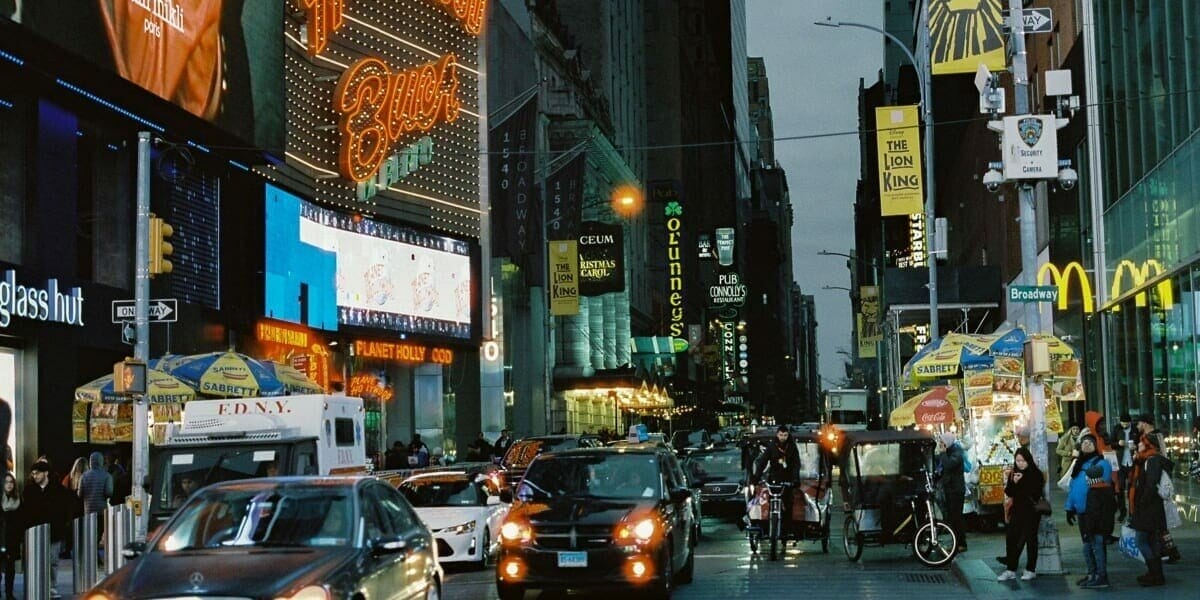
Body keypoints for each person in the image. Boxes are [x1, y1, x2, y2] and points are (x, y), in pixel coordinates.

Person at [1064, 433, 1116, 589]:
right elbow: (1073, 488)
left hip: (1095, 512)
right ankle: (1092, 574)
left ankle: (1101, 576)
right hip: (1082, 511)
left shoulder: (1102, 463)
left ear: (1095, 445)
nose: (1086, 445)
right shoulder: (1078, 464)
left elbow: (1103, 488)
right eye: (1084, 442)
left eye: (1090, 442)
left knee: (1097, 544)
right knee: (1087, 545)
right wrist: (1069, 507)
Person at [24, 460, 72, 598]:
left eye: (37, 473)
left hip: (54, 531)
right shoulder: (29, 490)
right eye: (33, 473)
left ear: (46, 473)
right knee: (37, 561)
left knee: (52, 561)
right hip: (35, 531)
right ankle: (38, 586)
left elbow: (64, 509)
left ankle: (52, 586)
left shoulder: (58, 490)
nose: (34, 476)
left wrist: (63, 526)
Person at [1128, 433, 1170, 587]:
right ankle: (1155, 573)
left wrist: (1141, 503)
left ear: (1147, 445)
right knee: (1151, 541)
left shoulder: (1152, 461)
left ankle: (1155, 573)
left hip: (1148, 509)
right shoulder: (1145, 460)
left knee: (1141, 540)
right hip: (1151, 508)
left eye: (1141, 443)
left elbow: (1150, 485)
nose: (1138, 445)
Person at [998, 447, 1046, 581]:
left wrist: (1022, 482)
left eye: (1023, 460)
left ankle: (1030, 569)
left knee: (1029, 540)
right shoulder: (1014, 473)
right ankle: (1011, 569)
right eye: (1017, 460)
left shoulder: (1035, 474)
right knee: (1011, 539)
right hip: (1017, 511)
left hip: (1031, 512)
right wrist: (1014, 482)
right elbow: (1009, 492)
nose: (1020, 463)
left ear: (1028, 460)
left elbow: (1035, 493)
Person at [752, 426, 801, 533]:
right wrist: (756, 477)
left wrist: (795, 479)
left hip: (788, 478)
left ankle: (787, 527)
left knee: (788, 502)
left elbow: (796, 464)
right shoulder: (772, 446)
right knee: (771, 501)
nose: (783, 437)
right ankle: (771, 525)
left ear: (788, 435)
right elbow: (763, 462)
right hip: (774, 478)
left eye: (785, 435)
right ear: (777, 435)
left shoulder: (792, 447)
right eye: (780, 435)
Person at [938, 431, 968, 553]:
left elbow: (949, 464)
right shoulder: (952, 451)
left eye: (942, 441)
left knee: (956, 517)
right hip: (951, 489)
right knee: (953, 517)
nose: (941, 444)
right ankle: (957, 542)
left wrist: (942, 453)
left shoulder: (956, 452)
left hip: (956, 490)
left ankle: (961, 543)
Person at [1112, 413, 1136, 520]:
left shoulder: (1135, 430)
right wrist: (1118, 444)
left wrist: (1135, 446)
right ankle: (1122, 511)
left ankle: (1132, 512)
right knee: (1120, 488)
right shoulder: (1117, 429)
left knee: (1132, 488)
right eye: (1123, 423)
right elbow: (1111, 443)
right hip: (1121, 462)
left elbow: (1139, 442)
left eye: (1126, 423)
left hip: (1132, 462)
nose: (1124, 425)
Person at [2, 472, 20, 600]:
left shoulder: (18, 500)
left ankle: (9, 593)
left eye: (11, 482)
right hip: (1, 538)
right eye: (6, 482)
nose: (9, 485)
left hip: (12, 539)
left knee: (10, 569)